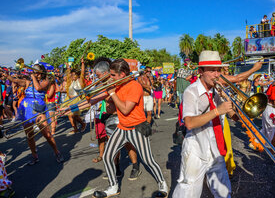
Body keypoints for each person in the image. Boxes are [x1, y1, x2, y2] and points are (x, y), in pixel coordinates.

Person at [92, 59, 168, 198]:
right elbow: (92, 100)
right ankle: (113, 187)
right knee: (107, 156)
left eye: (113, 75)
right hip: (122, 128)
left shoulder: (134, 86)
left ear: (122, 74)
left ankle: (162, 184)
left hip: (137, 128)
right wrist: (66, 109)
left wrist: (112, 93)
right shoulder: (117, 85)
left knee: (148, 160)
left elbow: (125, 109)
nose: (111, 78)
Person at [173, 51, 234, 198]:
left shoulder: (216, 90)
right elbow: (189, 123)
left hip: (215, 147)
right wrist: (218, 110)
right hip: (196, 148)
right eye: (212, 70)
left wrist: (238, 108)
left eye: (218, 70)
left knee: (223, 191)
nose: (217, 74)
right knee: (189, 191)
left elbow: (233, 116)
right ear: (200, 71)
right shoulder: (191, 91)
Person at [3, 64, 63, 165]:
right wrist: (7, 75)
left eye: (37, 73)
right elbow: (16, 81)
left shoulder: (46, 81)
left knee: (47, 134)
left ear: (41, 73)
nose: (36, 75)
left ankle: (57, 152)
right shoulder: (28, 82)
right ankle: (34, 156)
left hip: (38, 110)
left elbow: (38, 88)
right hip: (27, 111)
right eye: (34, 73)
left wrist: (33, 77)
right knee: (29, 135)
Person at [63, 60, 86, 135]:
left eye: (74, 75)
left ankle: (82, 123)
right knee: (70, 116)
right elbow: (69, 73)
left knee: (74, 116)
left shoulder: (80, 80)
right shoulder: (70, 81)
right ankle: (75, 129)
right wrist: (67, 67)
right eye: (72, 75)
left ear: (77, 75)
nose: (72, 76)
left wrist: (82, 63)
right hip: (69, 100)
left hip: (76, 100)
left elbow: (82, 72)